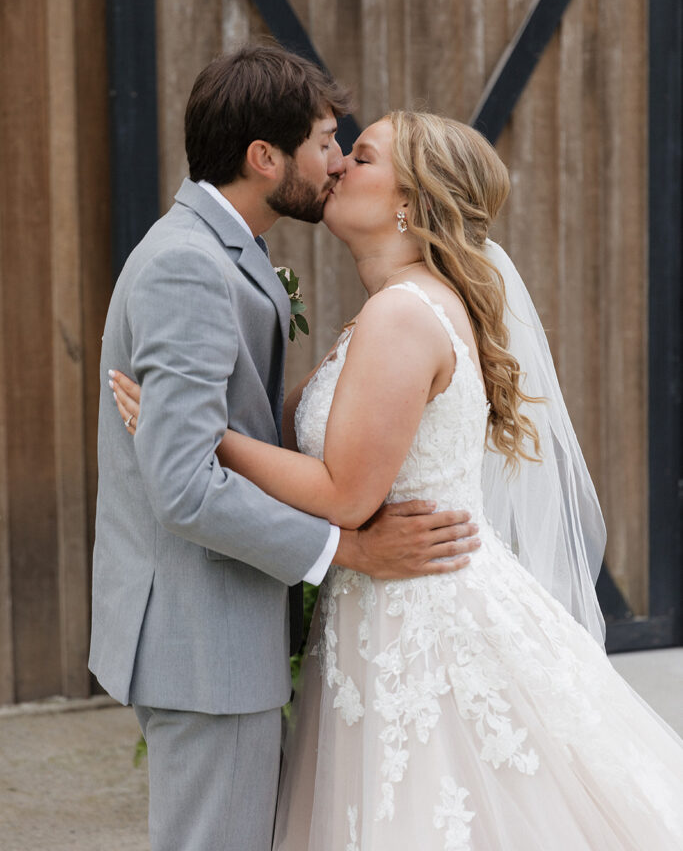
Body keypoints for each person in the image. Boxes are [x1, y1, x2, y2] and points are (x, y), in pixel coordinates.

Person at [114, 108, 683, 849]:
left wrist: (195, 434)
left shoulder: (403, 316)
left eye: (363, 155)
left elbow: (346, 496)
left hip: (421, 619)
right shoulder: (384, 312)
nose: (339, 165)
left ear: (408, 202)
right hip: (379, 613)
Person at [91, 48, 480, 851]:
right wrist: (349, 551)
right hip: (205, 640)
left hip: (227, 632)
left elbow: (238, 435)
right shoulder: (189, 268)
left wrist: (220, 437)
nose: (336, 163)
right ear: (264, 158)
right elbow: (185, 490)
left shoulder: (232, 257)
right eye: (325, 142)